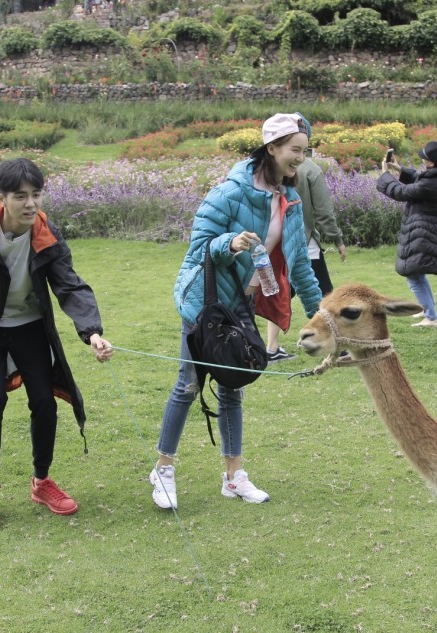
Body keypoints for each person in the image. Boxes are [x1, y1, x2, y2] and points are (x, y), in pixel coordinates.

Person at [150, 113, 322, 509]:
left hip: (241, 305)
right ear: (272, 148)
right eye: (295, 150)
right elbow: (198, 250)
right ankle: (163, 468)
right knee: (188, 384)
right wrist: (229, 243)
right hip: (205, 304)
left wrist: (321, 317)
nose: (301, 157)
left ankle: (234, 477)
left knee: (232, 387)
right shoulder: (229, 192)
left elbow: (300, 268)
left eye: (305, 150)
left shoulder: (290, 201)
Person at [0, 158, 114, 529]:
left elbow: (69, 283)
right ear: (1, 198)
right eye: (21, 196)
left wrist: (92, 331)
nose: (31, 204)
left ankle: (41, 480)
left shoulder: (45, 232)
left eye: (36, 195)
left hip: (30, 325)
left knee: (45, 403)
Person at [265, 151, 347, 362]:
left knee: (283, 292)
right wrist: (337, 239)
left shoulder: (268, 166)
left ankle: (272, 347)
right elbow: (323, 210)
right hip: (303, 242)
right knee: (324, 294)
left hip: (275, 241)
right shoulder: (310, 169)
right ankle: (333, 342)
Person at [376, 141, 437, 327]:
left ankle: (431, 317)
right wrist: (399, 169)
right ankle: (427, 310)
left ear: (432, 162)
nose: (422, 158)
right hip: (432, 229)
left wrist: (384, 175)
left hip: (423, 232)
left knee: (411, 272)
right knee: (417, 271)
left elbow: (400, 192)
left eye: (425, 157)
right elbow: (420, 178)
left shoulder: (429, 184)